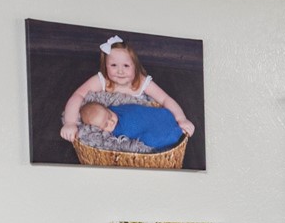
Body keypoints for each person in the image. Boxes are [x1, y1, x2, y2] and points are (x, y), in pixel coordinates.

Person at [57, 35, 194, 144]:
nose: (120, 71)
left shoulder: (141, 82)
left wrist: (181, 119)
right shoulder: (102, 80)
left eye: (126, 66)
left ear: (135, 66)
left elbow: (165, 99)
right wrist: (70, 122)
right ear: (105, 66)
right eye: (113, 65)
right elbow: (78, 95)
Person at [78, 99, 185, 151]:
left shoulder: (115, 109)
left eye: (110, 115)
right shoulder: (111, 135)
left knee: (156, 116)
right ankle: (175, 132)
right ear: (98, 129)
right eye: (106, 124)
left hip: (154, 116)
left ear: (107, 108)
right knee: (150, 140)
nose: (111, 122)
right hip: (149, 131)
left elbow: (135, 110)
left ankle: (172, 125)